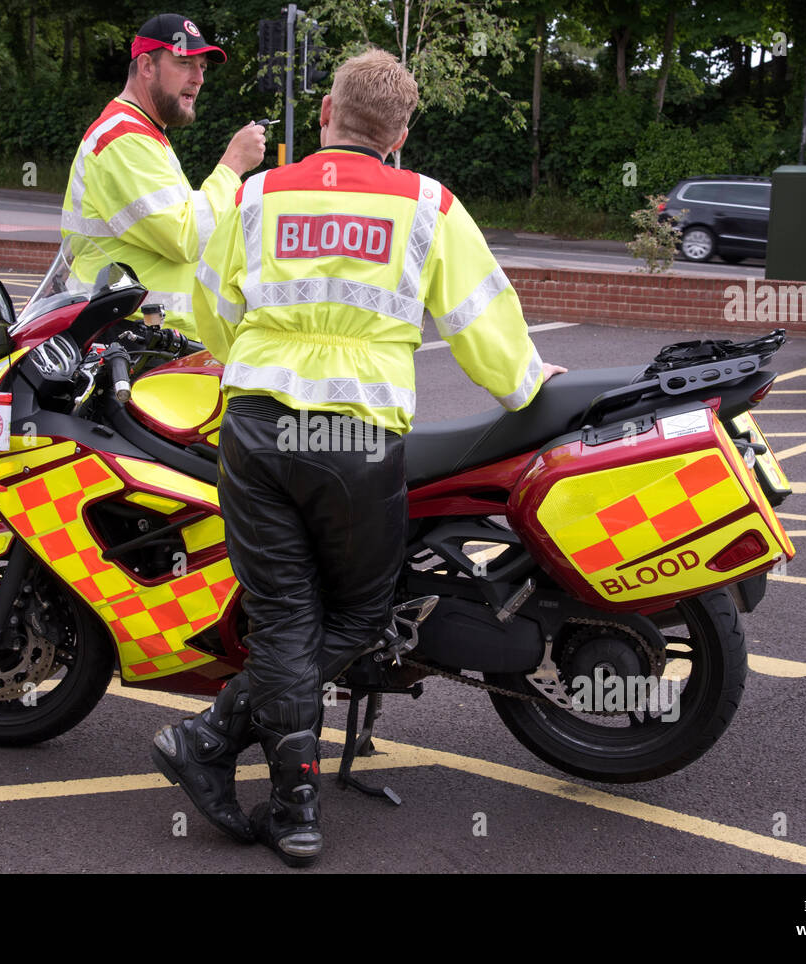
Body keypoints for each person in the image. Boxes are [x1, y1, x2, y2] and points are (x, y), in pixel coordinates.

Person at [151, 48, 568, 867]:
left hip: (259, 427)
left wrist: (246, 358)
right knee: (356, 615)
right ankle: (222, 755)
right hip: (352, 439)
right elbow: (482, 318)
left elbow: (209, 304)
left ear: (327, 116)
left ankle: (261, 781)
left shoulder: (259, 193)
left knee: (282, 619)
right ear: (400, 134)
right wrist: (529, 384)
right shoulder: (427, 204)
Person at [59, 13, 266, 337]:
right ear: (146, 66)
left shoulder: (143, 134)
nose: (199, 78)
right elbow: (185, 236)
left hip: (143, 338)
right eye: (185, 63)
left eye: (203, 68)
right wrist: (233, 164)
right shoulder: (123, 138)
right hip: (128, 341)